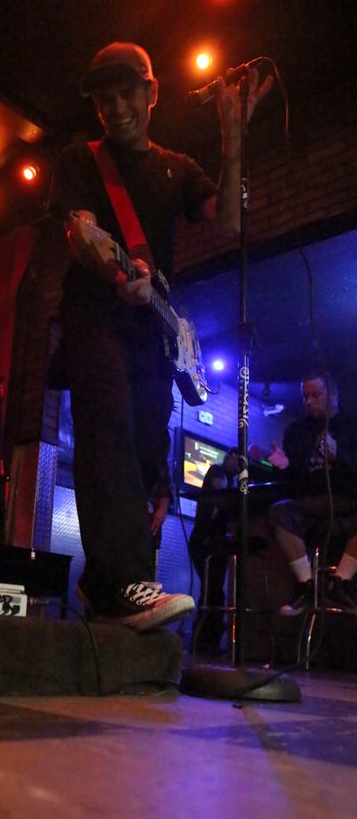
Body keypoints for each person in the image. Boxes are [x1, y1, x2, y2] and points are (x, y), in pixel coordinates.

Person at [48, 41, 272, 630]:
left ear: (152, 93)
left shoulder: (176, 167)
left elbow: (229, 221)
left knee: (147, 447)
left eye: (127, 94)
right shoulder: (80, 160)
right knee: (108, 430)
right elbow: (81, 232)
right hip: (95, 316)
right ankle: (123, 583)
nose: (116, 108)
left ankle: (111, 587)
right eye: (104, 99)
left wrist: (232, 138)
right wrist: (117, 274)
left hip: (153, 331)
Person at [269, 371, 357, 615]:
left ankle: (340, 583)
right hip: (310, 504)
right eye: (305, 396)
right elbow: (294, 483)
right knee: (279, 512)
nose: (308, 401)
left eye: (316, 395)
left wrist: (338, 457)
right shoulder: (297, 431)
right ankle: (306, 586)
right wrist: (284, 467)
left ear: (334, 394)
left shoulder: (352, 427)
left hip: (348, 500)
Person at [188, 447, 239, 654]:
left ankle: (205, 641)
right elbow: (220, 495)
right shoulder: (217, 471)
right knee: (213, 590)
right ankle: (204, 642)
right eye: (237, 461)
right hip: (205, 540)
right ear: (230, 457)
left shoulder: (230, 479)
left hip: (210, 540)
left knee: (213, 590)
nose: (239, 466)